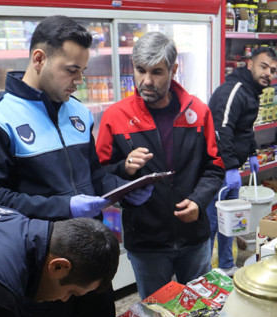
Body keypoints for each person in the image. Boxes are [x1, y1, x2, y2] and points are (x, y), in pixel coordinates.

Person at [0, 16, 150, 317]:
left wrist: (123, 186)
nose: (78, 81)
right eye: (71, 70)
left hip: (90, 256)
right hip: (40, 268)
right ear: (39, 59)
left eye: (83, 71)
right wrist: (65, 207)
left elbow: (94, 177)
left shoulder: (79, 112)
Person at [96, 31, 225, 299]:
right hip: (146, 241)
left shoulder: (198, 112)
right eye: (140, 70)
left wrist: (199, 201)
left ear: (173, 70)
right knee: (155, 314)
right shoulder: (115, 117)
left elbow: (214, 166)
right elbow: (99, 175)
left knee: (200, 308)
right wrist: (124, 168)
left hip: (194, 236)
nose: (146, 81)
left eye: (156, 72)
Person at [206, 46, 277, 275]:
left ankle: (227, 265)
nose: (268, 73)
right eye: (264, 66)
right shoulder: (234, 90)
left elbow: (244, 129)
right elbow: (221, 129)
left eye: (273, 70)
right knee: (211, 225)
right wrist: (230, 167)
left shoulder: (251, 91)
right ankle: (204, 273)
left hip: (230, 169)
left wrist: (252, 153)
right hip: (214, 170)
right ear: (250, 64)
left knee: (230, 223)